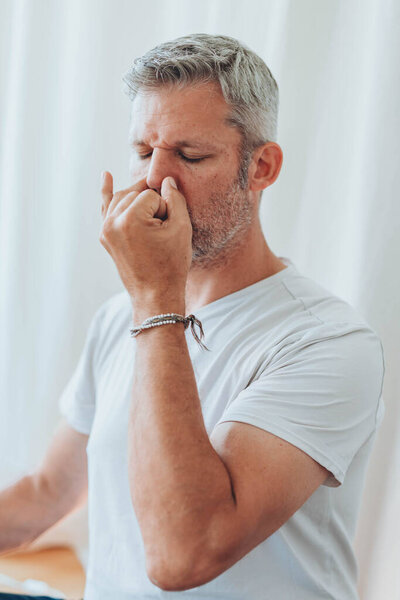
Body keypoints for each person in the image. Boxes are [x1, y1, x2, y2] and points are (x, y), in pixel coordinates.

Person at [0, 33, 385, 600]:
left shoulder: (329, 343)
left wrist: (157, 297)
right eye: (142, 152)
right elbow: (50, 489)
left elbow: (184, 553)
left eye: (190, 155)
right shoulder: (119, 317)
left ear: (262, 167)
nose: (155, 181)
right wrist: (147, 298)